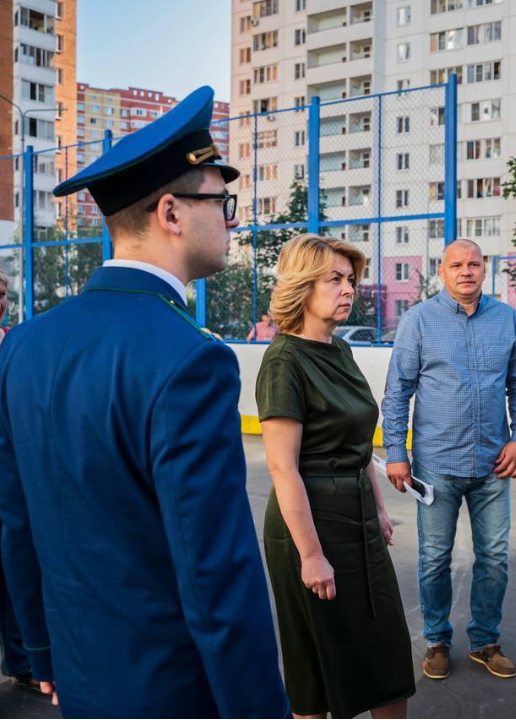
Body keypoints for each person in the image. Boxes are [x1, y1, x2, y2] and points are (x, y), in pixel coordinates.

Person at [0, 87, 289, 718]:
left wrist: (42, 652)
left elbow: (14, 520)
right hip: (172, 692)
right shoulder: (190, 359)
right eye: (221, 201)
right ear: (171, 213)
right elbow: (215, 574)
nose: (230, 220)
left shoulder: (23, 345)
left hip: (81, 679)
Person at [256, 234, 415, 720]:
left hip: (358, 520)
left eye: (351, 280)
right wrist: (311, 555)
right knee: (316, 666)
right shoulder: (284, 361)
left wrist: (381, 511)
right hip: (311, 527)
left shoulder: (339, 350)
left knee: (386, 652)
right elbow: (284, 468)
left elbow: (356, 445)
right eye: (335, 280)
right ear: (303, 286)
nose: (349, 289)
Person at [382, 239, 516, 681]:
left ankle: (485, 640)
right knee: (433, 558)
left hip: (494, 464)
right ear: (442, 271)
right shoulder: (419, 321)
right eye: (456, 265)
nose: (465, 271)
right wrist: (397, 453)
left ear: (484, 269)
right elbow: (398, 392)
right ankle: (437, 640)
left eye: (473, 263)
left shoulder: (507, 318)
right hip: (434, 465)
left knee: (494, 557)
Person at [0, 268, 36, 694]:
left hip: (11, 473)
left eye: (5, 293)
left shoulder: (15, 343)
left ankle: (21, 659)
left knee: (12, 566)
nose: (2, 299)